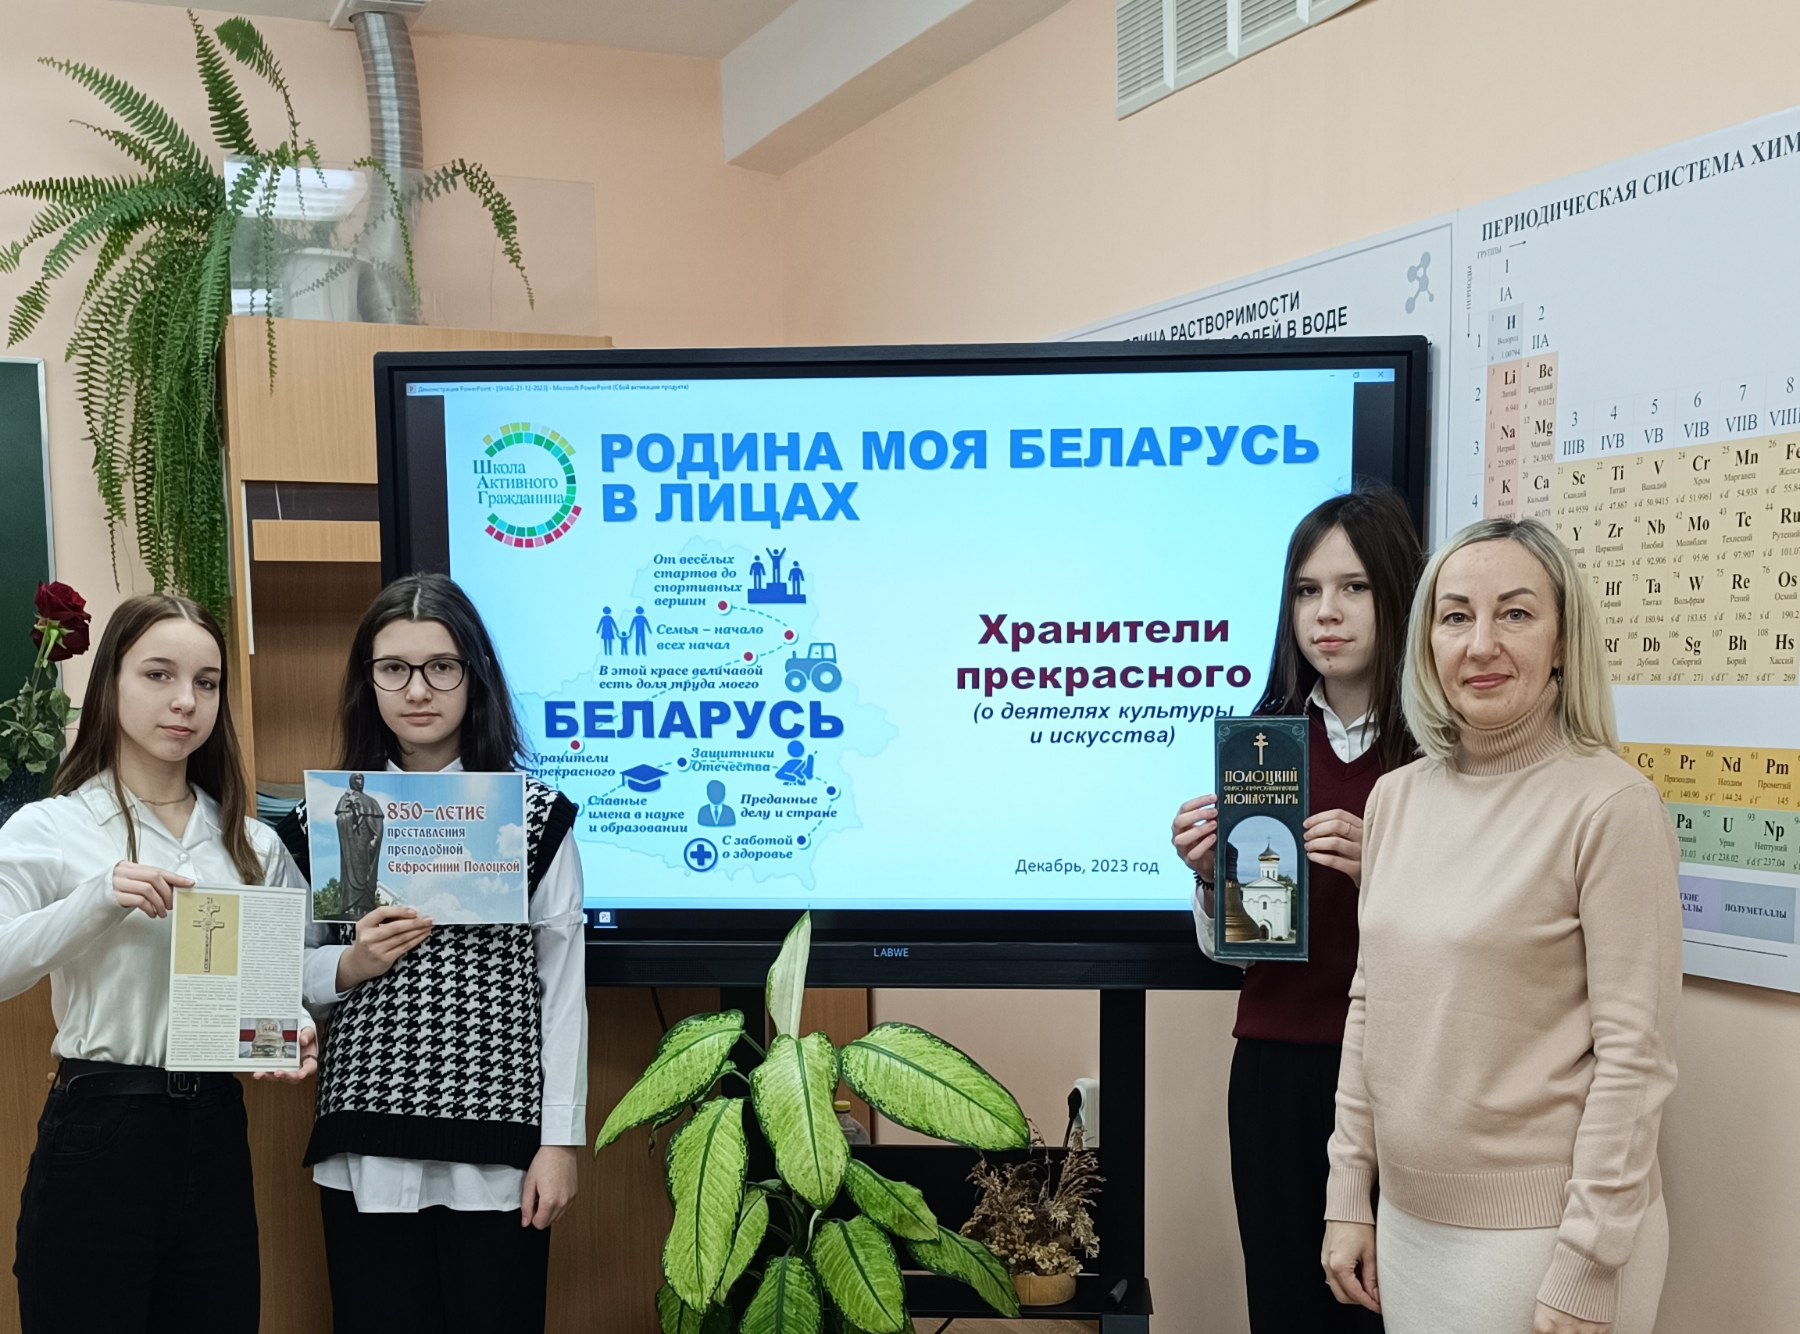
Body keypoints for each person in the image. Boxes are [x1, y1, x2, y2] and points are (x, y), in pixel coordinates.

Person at [1321, 518, 1681, 1334]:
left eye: (1515, 613)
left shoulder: (1613, 806)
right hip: (1410, 1224)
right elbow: (1372, 1005)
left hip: (1548, 1238)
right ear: (1428, 641)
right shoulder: (1395, 799)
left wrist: (1588, 1264)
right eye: (1456, 616)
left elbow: (1635, 1059)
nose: (1481, 644)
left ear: (1561, 642)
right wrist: (1350, 1192)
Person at [0, 593, 317, 1334]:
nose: (185, 702)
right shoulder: (52, 826)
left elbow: (280, 982)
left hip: (216, 1126)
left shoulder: (252, 844)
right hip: (100, 1127)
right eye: (158, 675)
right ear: (110, 682)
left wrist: (292, 1025)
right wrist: (96, 899)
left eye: (207, 683)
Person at [281, 573, 586, 1334]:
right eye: (394, 668)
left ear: (473, 676)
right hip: (366, 1136)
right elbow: (282, 974)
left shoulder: (534, 817)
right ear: (368, 681)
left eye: (441, 667)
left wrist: (559, 1141)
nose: (418, 690)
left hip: (498, 1141)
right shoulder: (325, 816)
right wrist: (350, 965)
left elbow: (561, 988)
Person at [1169, 487, 1422, 1334]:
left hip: (1406, 1073)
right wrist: (1213, 880)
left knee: (1396, 1308)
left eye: (1354, 588)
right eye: (1307, 591)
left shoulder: (1440, 752)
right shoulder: (1265, 742)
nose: (1326, 613)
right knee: (1285, 1305)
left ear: (1399, 594)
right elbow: (1244, 949)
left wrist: (1390, 866)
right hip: (1275, 1068)